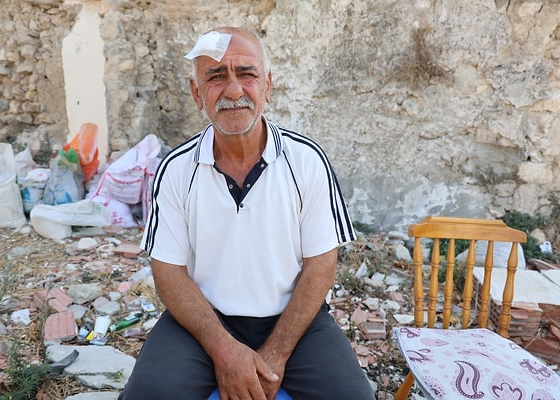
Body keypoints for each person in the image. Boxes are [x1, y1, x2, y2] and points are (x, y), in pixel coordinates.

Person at [119, 26, 374, 400]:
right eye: (216, 76)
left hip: (295, 322)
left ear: (267, 86)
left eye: (247, 74)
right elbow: (168, 270)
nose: (234, 90)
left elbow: (321, 263)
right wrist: (223, 350)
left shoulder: (306, 161)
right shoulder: (175, 169)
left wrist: (277, 353)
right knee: (147, 395)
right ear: (197, 94)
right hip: (203, 321)